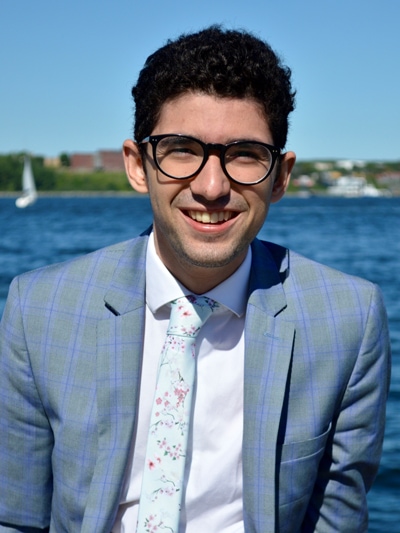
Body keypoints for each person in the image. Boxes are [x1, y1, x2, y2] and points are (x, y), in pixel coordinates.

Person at [0, 26, 391, 533]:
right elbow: (16, 517)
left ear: (280, 177)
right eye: (181, 149)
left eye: (246, 154)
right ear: (138, 166)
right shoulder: (39, 309)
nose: (212, 187)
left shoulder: (348, 322)